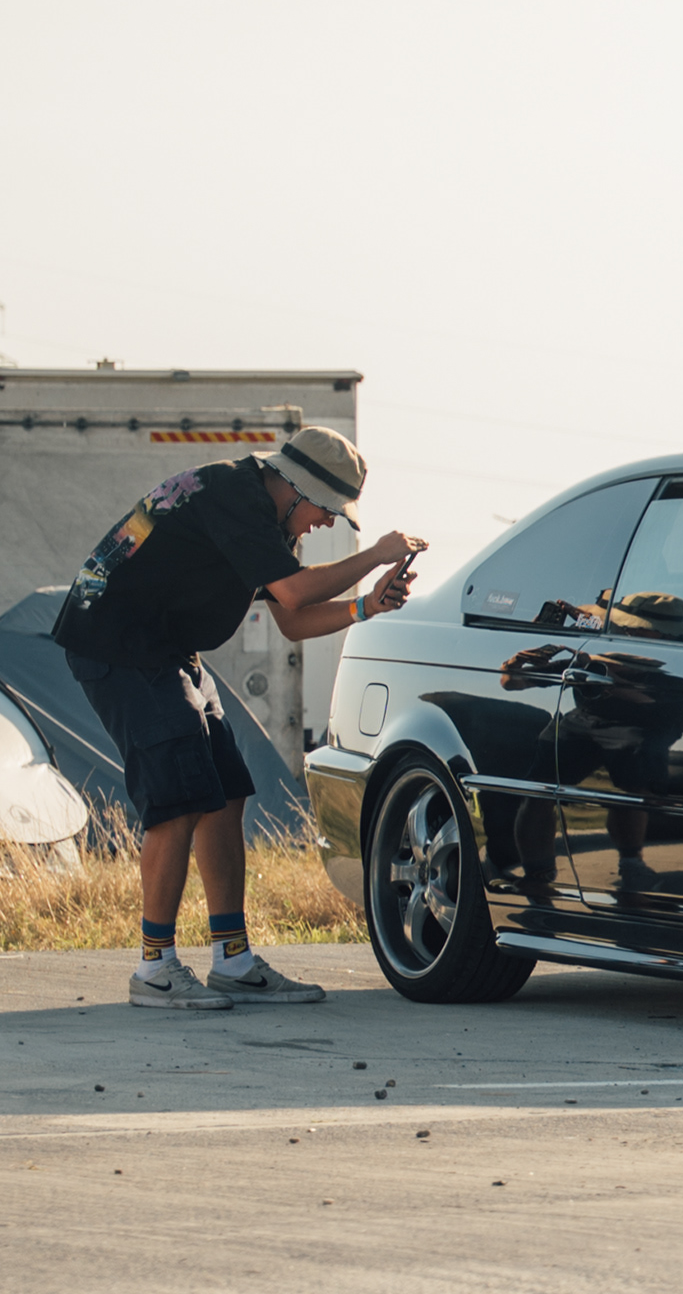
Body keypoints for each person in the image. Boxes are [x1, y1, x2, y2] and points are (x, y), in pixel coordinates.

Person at [51, 419, 422, 1005]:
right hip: (116, 644)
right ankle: (154, 968)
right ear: (296, 489)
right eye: (327, 510)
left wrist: (366, 607)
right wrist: (376, 555)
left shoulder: (270, 518)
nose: (327, 523)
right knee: (177, 801)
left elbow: (292, 620)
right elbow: (297, 592)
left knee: (226, 792)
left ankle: (233, 960)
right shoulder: (234, 494)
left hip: (168, 650)